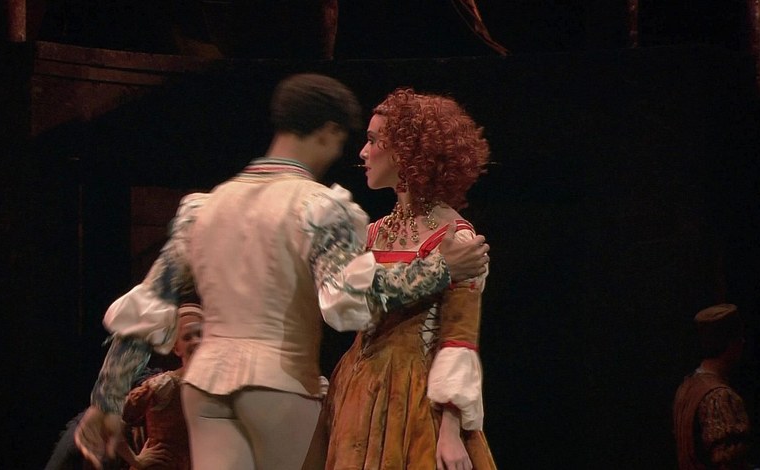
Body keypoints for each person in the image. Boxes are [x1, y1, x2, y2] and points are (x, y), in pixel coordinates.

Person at [73, 73, 491, 470]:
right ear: (326, 133)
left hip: (206, 390)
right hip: (278, 384)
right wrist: (438, 269)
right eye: (346, 139)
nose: (355, 153)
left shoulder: (206, 207)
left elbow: (149, 303)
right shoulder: (320, 208)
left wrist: (106, 401)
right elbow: (347, 301)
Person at [319, 87, 498, 469]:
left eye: (373, 140)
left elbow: (458, 339)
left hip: (415, 396)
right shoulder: (373, 233)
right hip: (358, 387)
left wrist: (450, 431)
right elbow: (343, 303)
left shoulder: (455, 238)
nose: (363, 152)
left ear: (405, 152)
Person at [117, 302, 204, 470]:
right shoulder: (165, 386)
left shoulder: (219, 386)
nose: (196, 341)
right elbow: (108, 421)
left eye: (200, 334)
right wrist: (136, 460)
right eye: (187, 337)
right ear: (176, 348)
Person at [673, 303, 753, 470]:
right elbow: (729, 463)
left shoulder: (688, 385)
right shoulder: (719, 395)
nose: (743, 343)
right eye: (739, 338)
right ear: (732, 344)